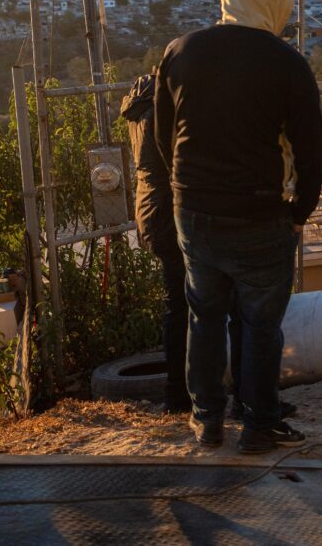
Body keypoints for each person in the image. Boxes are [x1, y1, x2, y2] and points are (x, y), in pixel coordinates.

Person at [155, 0, 322, 453]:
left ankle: (206, 419)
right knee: (261, 324)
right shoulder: (287, 62)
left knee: (203, 316)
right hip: (260, 215)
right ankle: (258, 424)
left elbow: (166, 137)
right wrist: (300, 212)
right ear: (276, 6)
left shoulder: (181, 51)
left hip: (194, 210)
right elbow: (310, 150)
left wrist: (184, 188)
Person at [120, 73, 190, 414]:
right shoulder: (159, 115)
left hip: (150, 212)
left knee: (179, 305)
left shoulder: (140, 114)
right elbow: (183, 165)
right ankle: (180, 392)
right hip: (167, 214)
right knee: (184, 307)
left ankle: (181, 390)